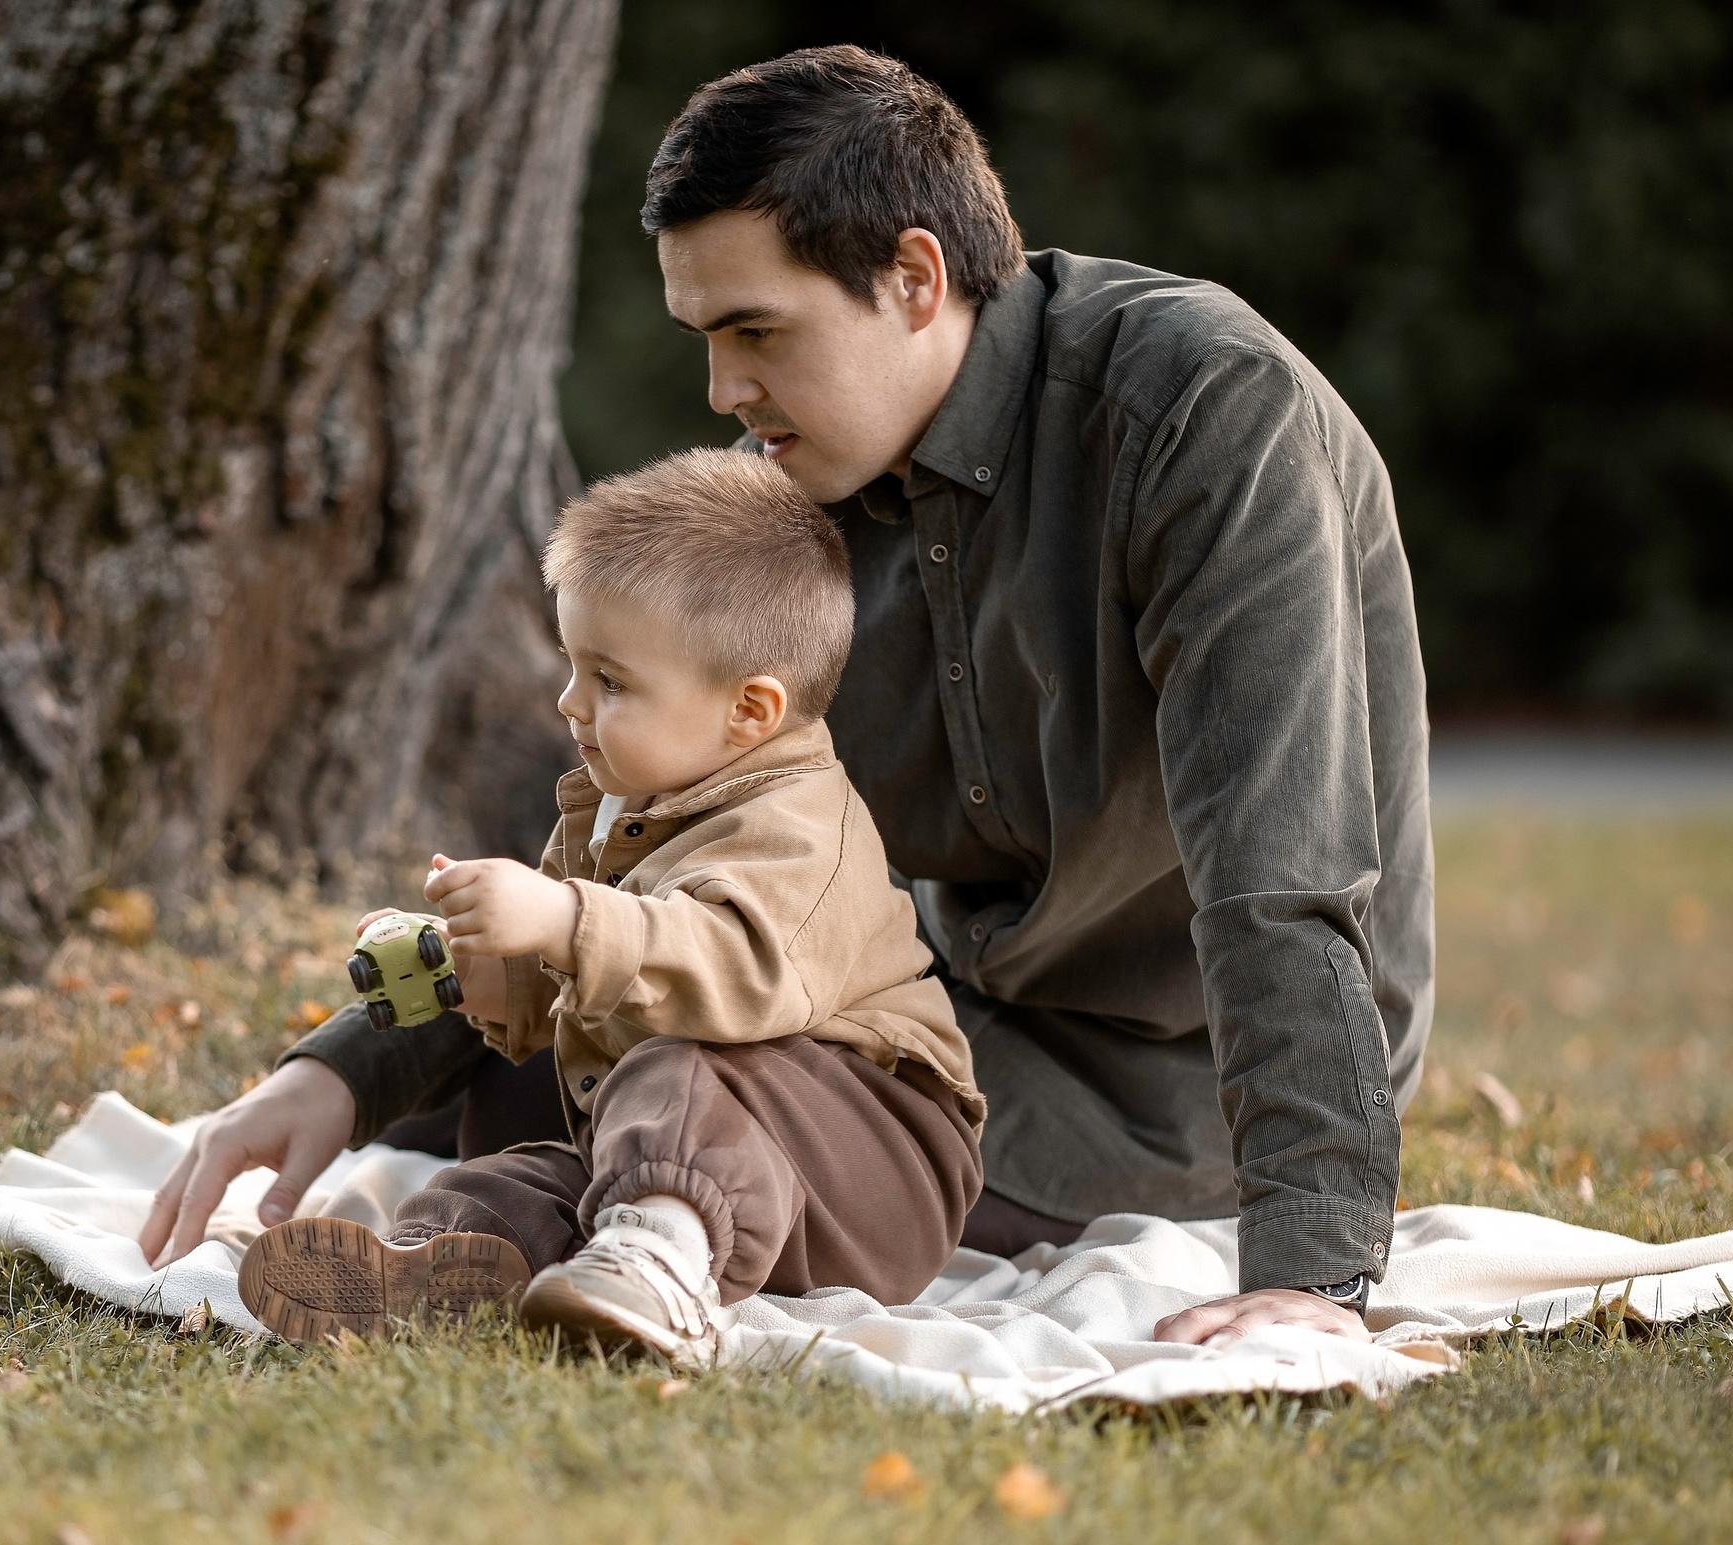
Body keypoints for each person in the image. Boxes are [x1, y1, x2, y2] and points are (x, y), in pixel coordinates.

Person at [144, 45, 1431, 1348]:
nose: (723, 392)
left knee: (690, 1068)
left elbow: (1283, 881)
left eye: (757, 331)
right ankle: (455, 1253)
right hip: (918, 1006)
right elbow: (625, 871)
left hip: (1178, 1083)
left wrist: (1313, 1277)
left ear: (915, 280)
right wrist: (338, 1070)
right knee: (563, 1052)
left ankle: (631, 1237)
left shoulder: (1202, 417)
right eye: (706, 340)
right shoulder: (781, 508)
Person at [232, 449, 982, 1361]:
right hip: (694, 1164)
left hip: (870, 1163)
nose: (569, 701)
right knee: (521, 1180)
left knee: (685, 1065)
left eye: (611, 681)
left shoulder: (800, 827)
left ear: (750, 710)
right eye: (573, 665)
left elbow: (738, 975)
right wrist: (473, 962)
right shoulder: (629, 804)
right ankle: (429, 1271)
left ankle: (656, 1261)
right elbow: (570, 985)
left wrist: (562, 919)